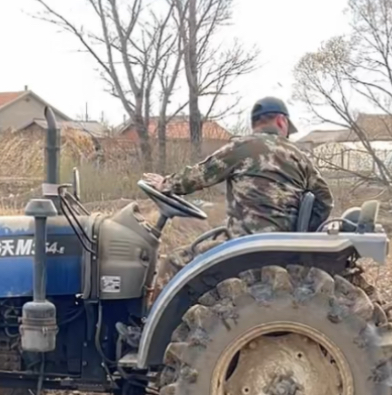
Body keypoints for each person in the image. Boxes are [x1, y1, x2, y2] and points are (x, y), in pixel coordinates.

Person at [143, 97, 334, 283]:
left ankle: (148, 315)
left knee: (173, 262)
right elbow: (325, 200)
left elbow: (199, 175)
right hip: (281, 248)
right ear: (281, 121)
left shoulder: (242, 147)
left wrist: (166, 184)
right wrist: (297, 235)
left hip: (244, 247)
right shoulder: (299, 157)